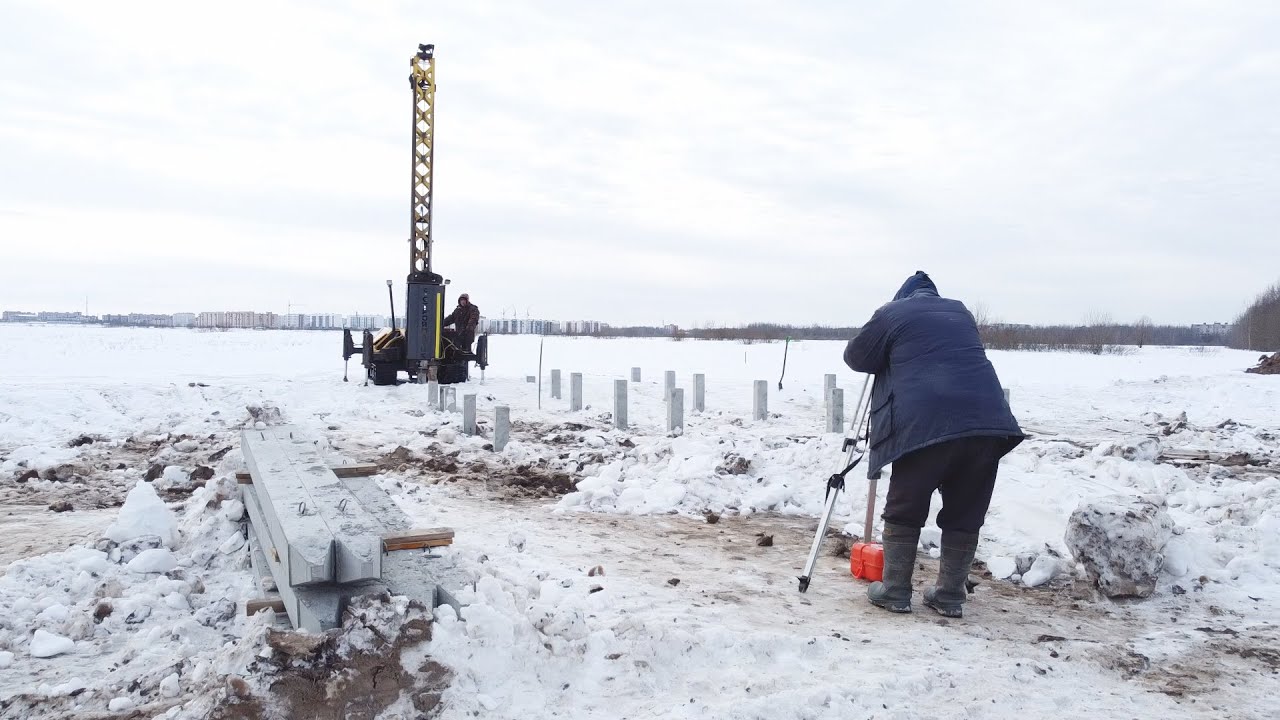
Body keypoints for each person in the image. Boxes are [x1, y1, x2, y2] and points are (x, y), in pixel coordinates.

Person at [843, 271, 1024, 618]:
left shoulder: (891, 313)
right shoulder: (961, 311)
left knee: (905, 506)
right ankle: (950, 594)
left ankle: (895, 590)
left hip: (925, 422)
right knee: (966, 509)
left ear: (902, 297)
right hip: (988, 423)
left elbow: (856, 357)